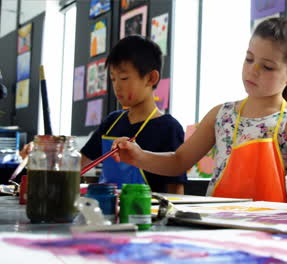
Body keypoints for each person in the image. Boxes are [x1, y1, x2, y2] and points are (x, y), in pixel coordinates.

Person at [111, 17, 287, 204]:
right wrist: (139, 156)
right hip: (217, 224)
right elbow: (178, 161)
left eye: (268, 67)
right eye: (249, 59)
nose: (252, 70)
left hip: (269, 230)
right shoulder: (222, 115)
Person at [21, 36, 187, 194]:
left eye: (123, 78)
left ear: (151, 78)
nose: (117, 86)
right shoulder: (112, 122)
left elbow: (176, 191)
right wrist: (43, 155)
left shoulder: (169, 128)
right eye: (113, 79)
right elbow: (76, 164)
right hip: (105, 211)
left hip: (145, 217)